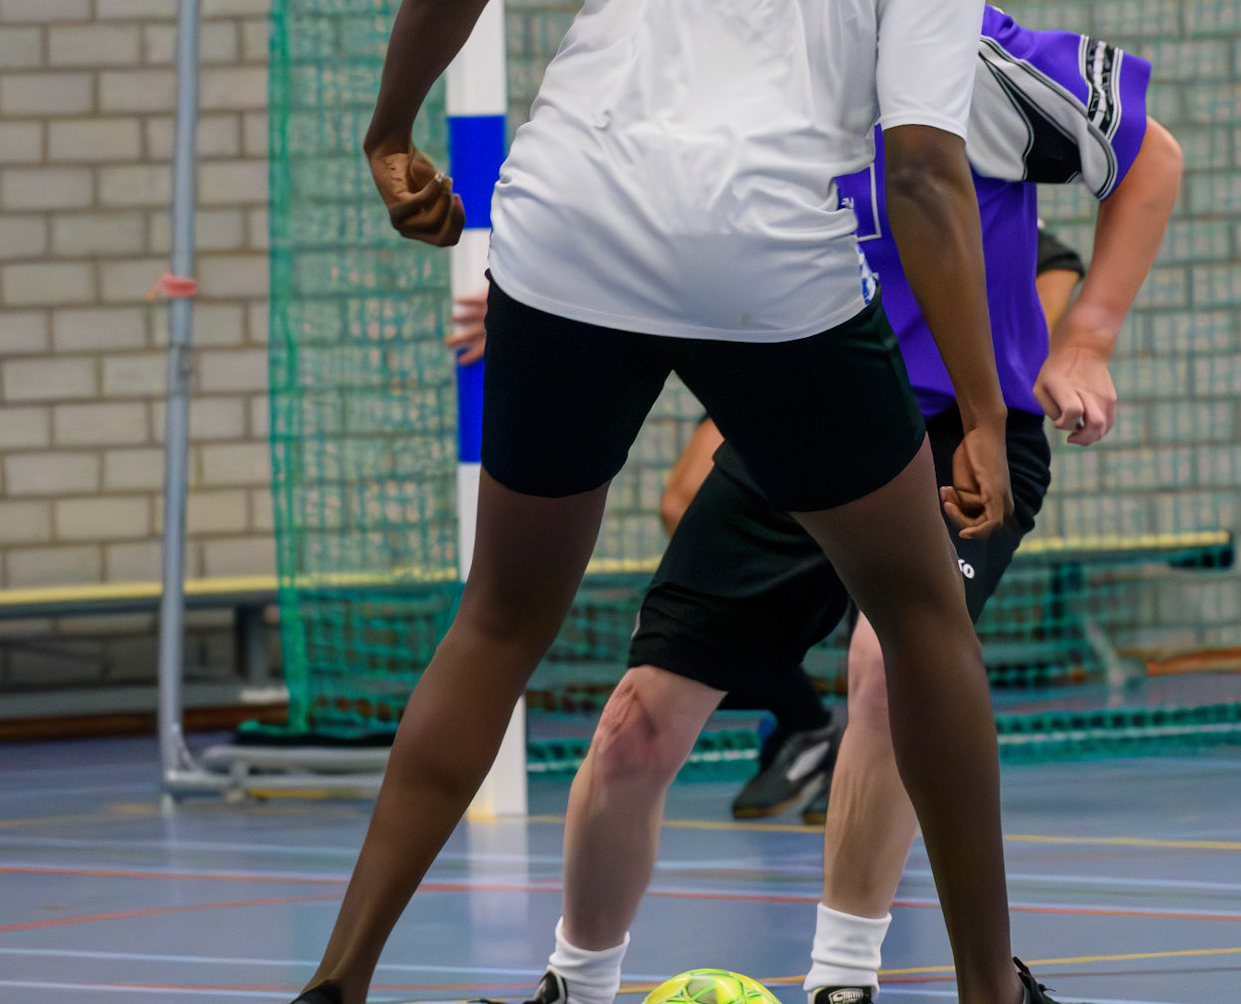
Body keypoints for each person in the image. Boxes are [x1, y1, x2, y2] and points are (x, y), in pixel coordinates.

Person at [234, 0, 1098, 1004]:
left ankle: (332, 991)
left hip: (565, 238)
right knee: (919, 615)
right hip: (766, 262)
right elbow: (922, 172)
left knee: (501, 619)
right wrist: (979, 404)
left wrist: (390, 136)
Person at [467, 9, 1182, 1004]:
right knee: (635, 724)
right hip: (800, 421)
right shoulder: (737, 77)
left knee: (890, 669)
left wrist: (1087, 336)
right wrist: (552, 308)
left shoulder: (972, 60)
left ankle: (844, 1001)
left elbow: (1150, 156)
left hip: (956, 435)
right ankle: (571, 1001)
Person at [451, 227, 1089, 826]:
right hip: (796, 365)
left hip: (916, 398)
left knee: (886, 631)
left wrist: (1035, 362)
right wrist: (547, 303)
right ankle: (803, 718)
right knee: (681, 502)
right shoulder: (773, 191)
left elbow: (1053, 260)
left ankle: (874, 739)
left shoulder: (938, 185)